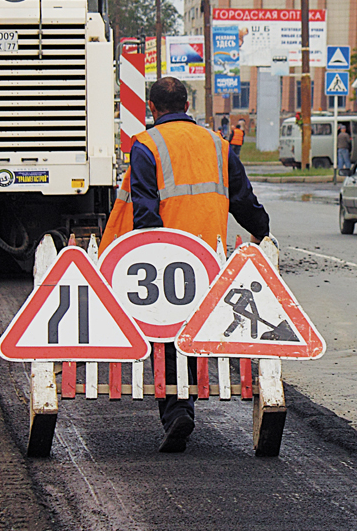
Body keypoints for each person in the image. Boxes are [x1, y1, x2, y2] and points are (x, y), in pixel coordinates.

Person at [100, 77, 270, 453]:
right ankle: (183, 406)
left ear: (152, 107)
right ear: (187, 105)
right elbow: (241, 197)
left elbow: (145, 207)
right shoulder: (217, 144)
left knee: (166, 334)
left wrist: (147, 250)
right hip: (211, 257)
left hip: (167, 257)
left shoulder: (146, 145)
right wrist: (262, 231)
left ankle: (177, 410)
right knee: (194, 331)